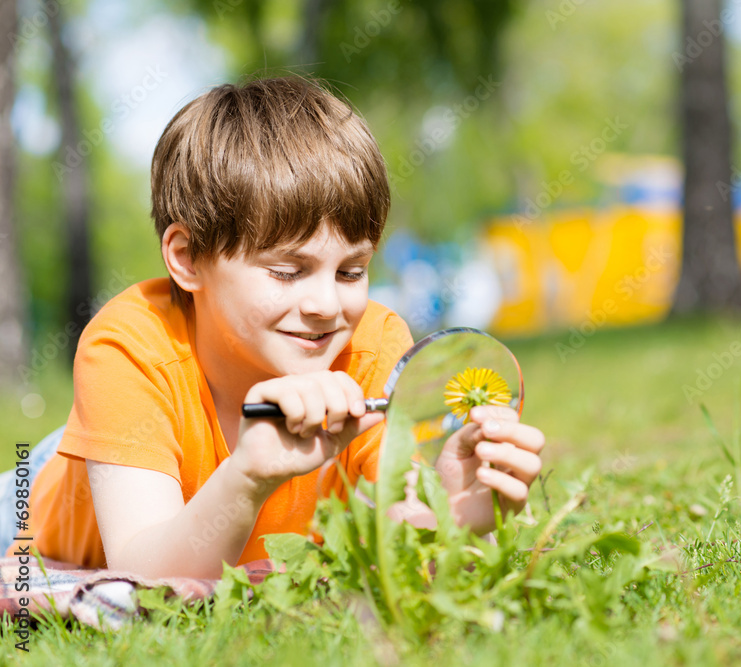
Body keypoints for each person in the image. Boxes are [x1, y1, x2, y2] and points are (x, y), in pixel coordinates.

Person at [4, 76, 544, 578]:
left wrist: (455, 511)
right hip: (38, 505)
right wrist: (248, 478)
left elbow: (397, 541)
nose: (327, 304)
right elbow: (146, 577)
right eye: (288, 271)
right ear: (188, 258)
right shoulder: (128, 347)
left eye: (352, 271)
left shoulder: (373, 349)